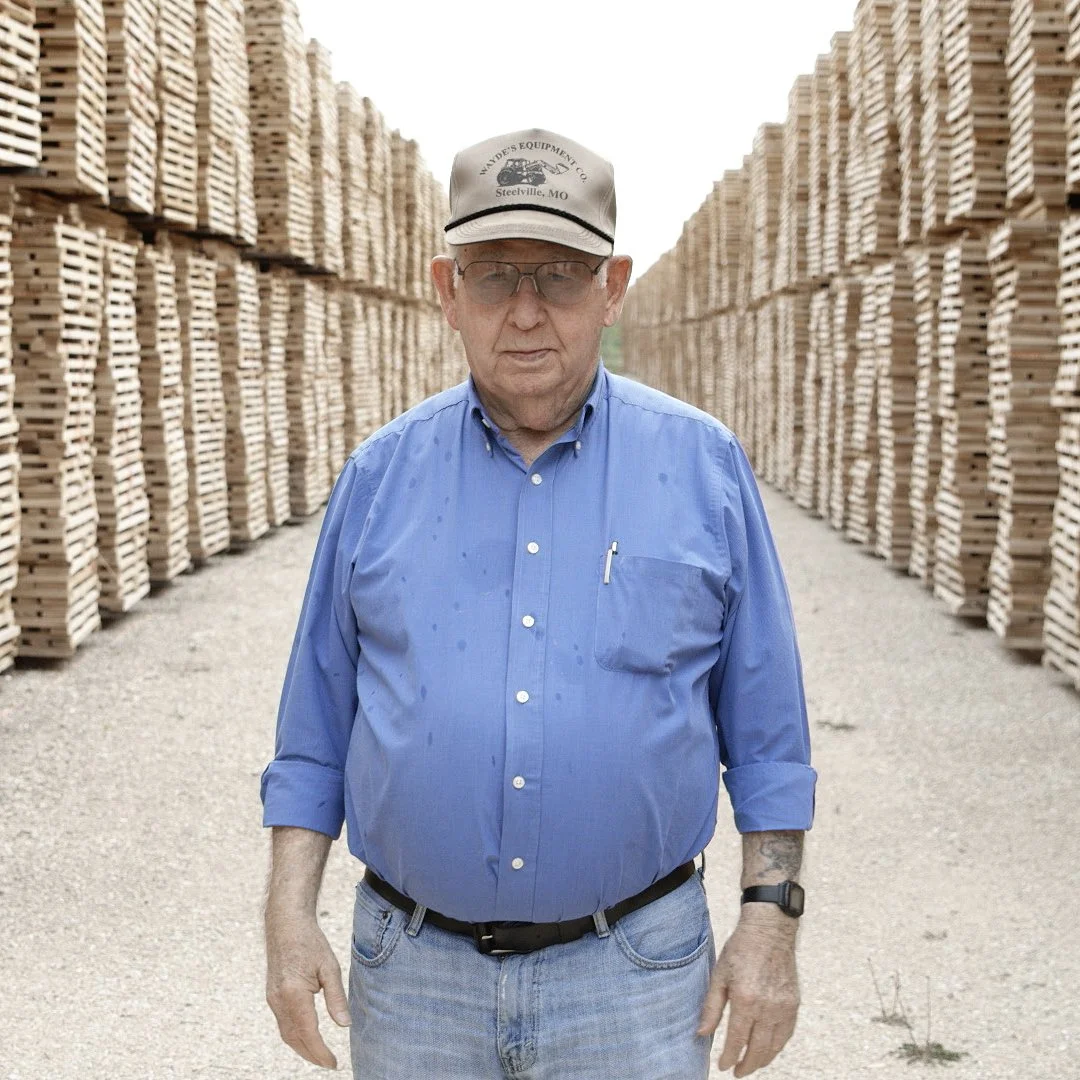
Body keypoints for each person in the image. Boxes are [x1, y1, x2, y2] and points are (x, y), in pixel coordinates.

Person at [261, 127, 816, 1079]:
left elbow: (767, 735)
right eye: (493, 276)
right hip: (413, 979)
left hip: (635, 978)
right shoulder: (378, 476)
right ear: (446, 290)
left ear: (614, 286)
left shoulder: (702, 468)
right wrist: (286, 915)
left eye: (559, 275)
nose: (525, 312)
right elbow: (316, 724)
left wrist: (770, 928)